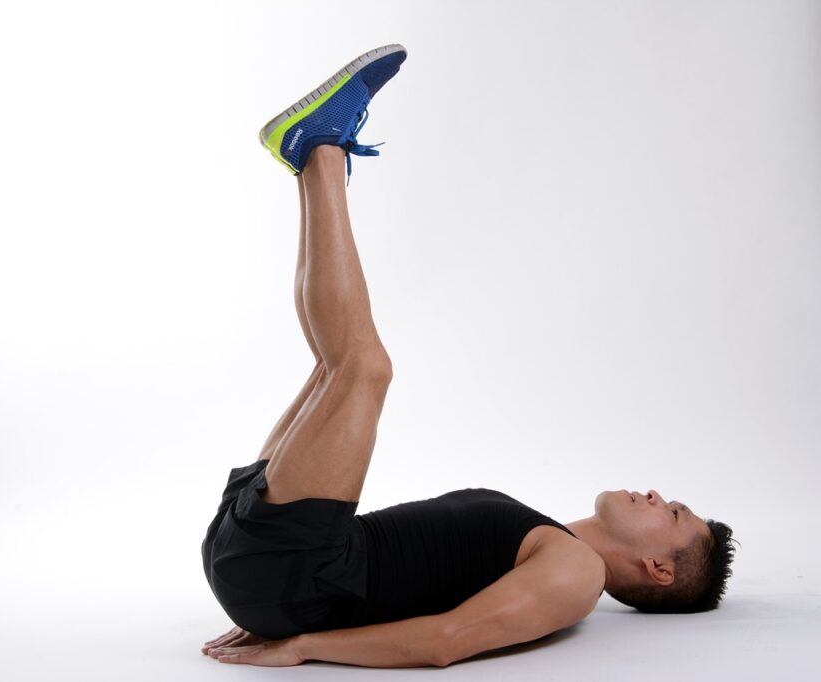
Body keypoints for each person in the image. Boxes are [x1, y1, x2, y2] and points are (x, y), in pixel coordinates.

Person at [199, 45, 736, 668]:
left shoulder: (575, 578)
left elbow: (446, 640)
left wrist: (302, 644)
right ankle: (313, 155)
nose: (654, 493)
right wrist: (265, 602)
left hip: (297, 577)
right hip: (280, 568)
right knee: (334, 365)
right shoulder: (550, 541)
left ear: (657, 570)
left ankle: (320, 146)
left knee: (363, 368)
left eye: (672, 512)